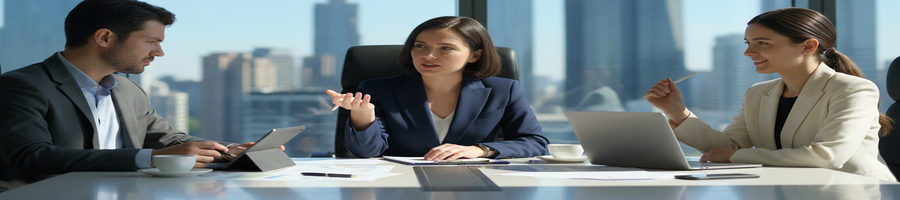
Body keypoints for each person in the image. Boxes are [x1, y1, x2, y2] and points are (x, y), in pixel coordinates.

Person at [0, 0, 257, 191]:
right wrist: (151, 159)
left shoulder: (127, 90)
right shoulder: (21, 86)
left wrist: (227, 150)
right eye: (151, 41)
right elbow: (32, 156)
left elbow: (170, 141)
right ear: (104, 37)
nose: (159, 53)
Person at [644, 8, 895, 181]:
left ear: (808, 46)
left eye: (762, 43)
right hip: (786, 188)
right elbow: (725, 148)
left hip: (851, 190)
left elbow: (827, 156)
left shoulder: (853, 89)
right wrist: (676, 111)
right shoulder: (758, 93)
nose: (748, 52)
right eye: (748, 43)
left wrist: (734, 156)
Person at [326, 16, 548, 161]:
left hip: (476, 183)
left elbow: (535, 142)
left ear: (474, 55)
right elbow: (367, 152)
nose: (427, 56)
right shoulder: (377, 89)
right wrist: (363, 116)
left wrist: (480, 150)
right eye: (420, 46)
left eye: (446, 48)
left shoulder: (503, 90)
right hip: (399, 185)